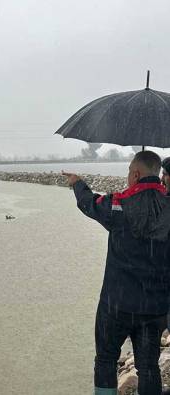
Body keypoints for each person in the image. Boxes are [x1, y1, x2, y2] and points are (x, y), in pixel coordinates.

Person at [63, 150, 170, 395]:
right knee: (149, 367)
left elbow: (89, 204)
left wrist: (77, 183)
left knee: (105, 361)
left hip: (116, 305)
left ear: (135, 174)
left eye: (128, 172)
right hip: (154, 308)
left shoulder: (118, 204)